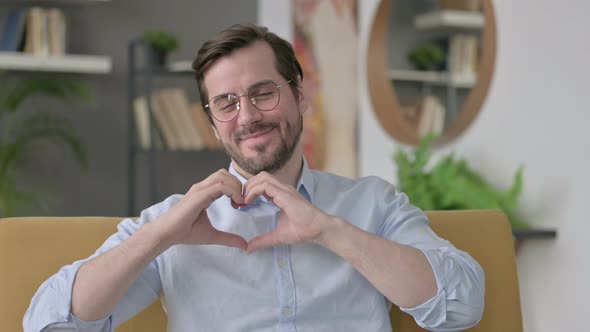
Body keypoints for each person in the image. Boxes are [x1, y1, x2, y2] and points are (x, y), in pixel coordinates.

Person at [24, 24, 484, 332]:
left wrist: (329, 230)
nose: (247, 116)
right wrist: (160, 236)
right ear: (211, 120)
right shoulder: (174, 222)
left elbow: (462, 306)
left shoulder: (373, 205)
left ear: (299, 96)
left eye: (264, 93)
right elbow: (49, 323)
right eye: (226, 103)